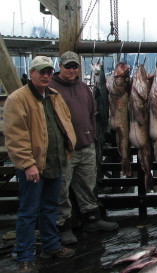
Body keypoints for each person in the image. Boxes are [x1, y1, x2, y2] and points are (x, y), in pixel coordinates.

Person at [4, 56, 77, 272]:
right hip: (34, 167)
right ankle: (24, 255)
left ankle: (51, 245)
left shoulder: (54, 96)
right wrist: (27, 164)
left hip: (55, 162)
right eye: (41, 72)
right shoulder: (18, 99)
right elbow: (15, 136)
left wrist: (67, 149)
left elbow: (65, 121)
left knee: (49, 208)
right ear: (32, 73)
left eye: (48, 72)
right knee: (28, 212)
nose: (45, 76)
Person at [50, 51, 118, 245]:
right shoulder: (51, 88)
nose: (71, 70)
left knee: (88, 185)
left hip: (86, 145)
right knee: (61, 189)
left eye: (75, 66)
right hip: (64, 149)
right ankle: (63, 226)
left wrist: (91, 134)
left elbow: (92, 112)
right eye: (68, 66)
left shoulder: (84, 88)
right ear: (60, 67)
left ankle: (92, 219)